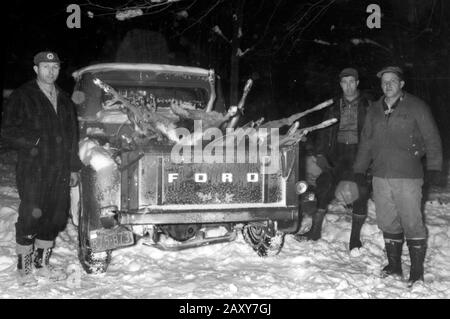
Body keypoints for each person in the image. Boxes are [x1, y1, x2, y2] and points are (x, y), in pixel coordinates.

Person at [353, 66, 442, 286]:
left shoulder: (417, 106)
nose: (388, 84)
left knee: (412, 221)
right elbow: (365, 143)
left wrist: (434, 168)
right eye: (384, 81)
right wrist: (358, 170)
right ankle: (394, 266)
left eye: (393, 81)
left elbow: (432, 138)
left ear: (402, 84)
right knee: (387, 221)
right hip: (381, 175)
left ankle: (417, 271)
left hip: (408, 175)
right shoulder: (374, 109)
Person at [1, 51, 83, 285]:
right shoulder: (23, 95)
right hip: (33, 167)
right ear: (36, 69)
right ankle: (24, 268)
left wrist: (73, 167)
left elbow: (72, 136)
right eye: (45, 67)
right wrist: (36, 140)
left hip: (60, 169)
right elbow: (8, 131)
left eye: (55, 67)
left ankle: (42, 264)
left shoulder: (65, 99)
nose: (51, 71)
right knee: (31, 215)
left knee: (55, 217)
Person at [295, 68, 372, 251]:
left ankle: (354, 240)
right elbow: (322, 132)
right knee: (324, 186)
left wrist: (371, 159)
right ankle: (315, 231)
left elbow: (376, 135)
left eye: (352, 82)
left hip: (359, 154)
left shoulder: (369, 106)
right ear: (340, 84)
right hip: (336, 154)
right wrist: (321, 155)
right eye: (344, 82)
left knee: (360, 191)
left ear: (357, 83)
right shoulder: (333, 107)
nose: (348, 86)